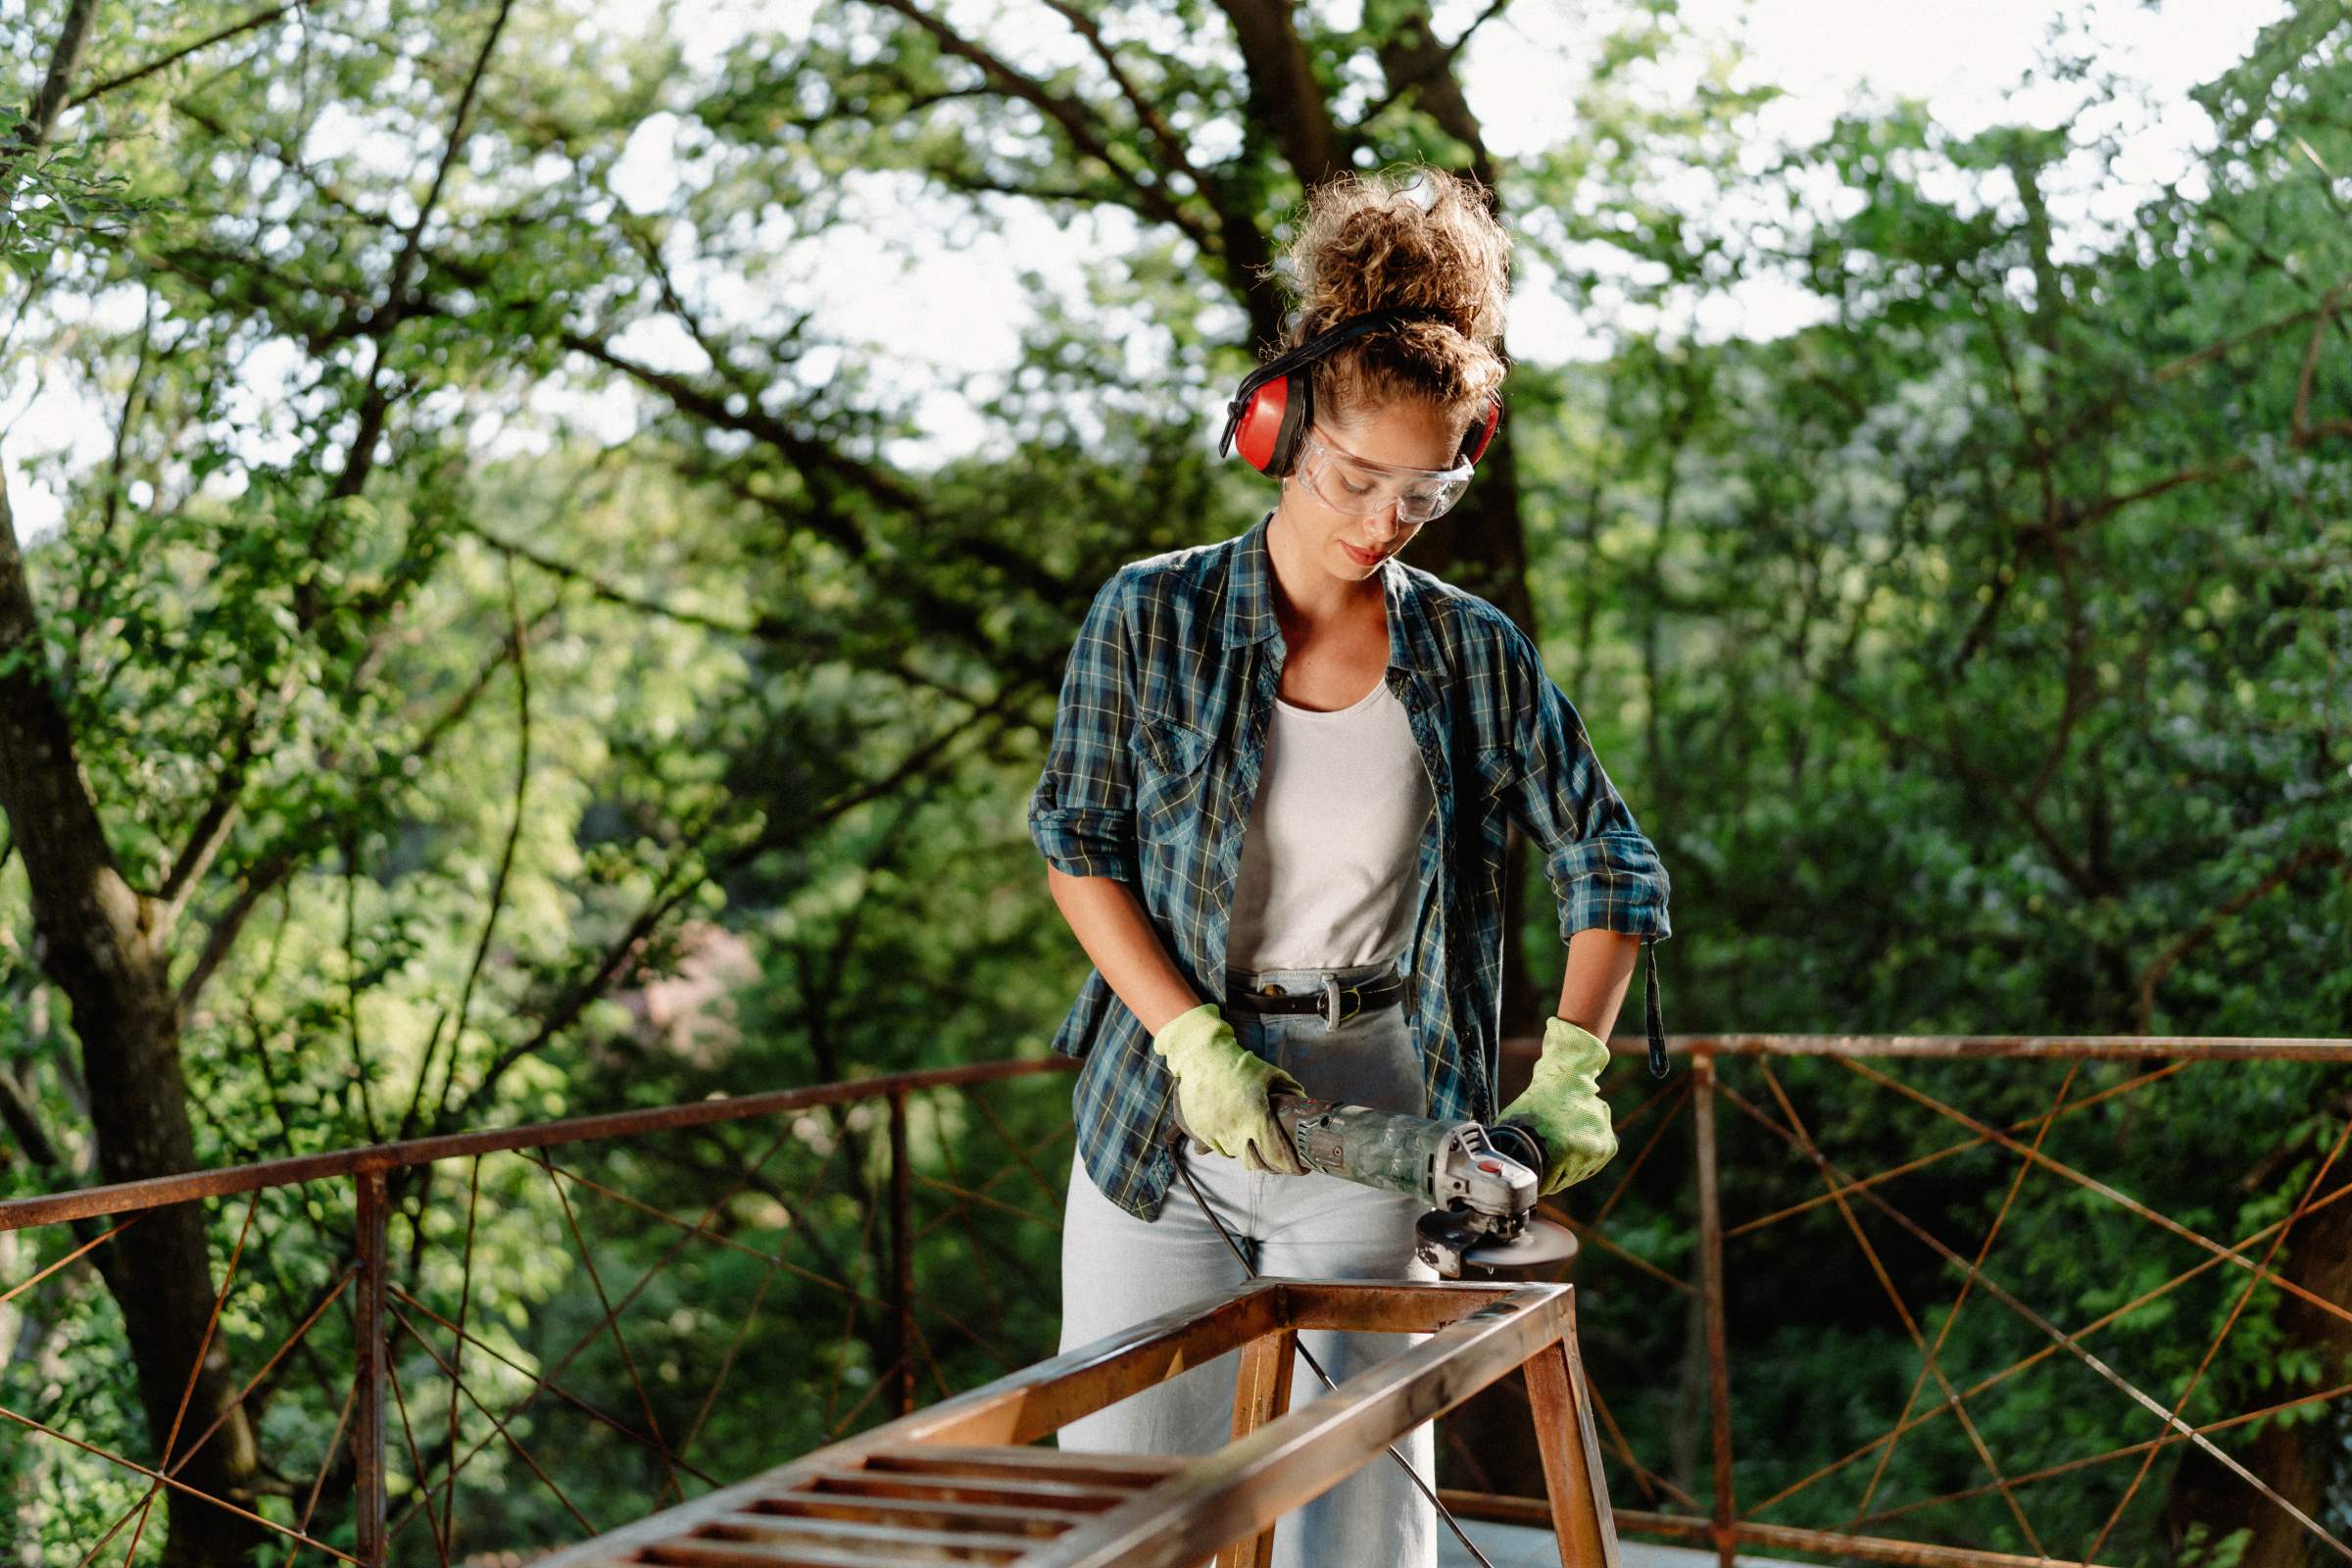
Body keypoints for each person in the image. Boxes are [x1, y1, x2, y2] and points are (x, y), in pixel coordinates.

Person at [1024, 164, 1674, 1568]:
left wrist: (1570, 1068)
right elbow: (1075, 839)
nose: (1385, 519)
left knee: (1364, 1534)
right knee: (1130, 1525)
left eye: (1427, 486)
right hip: (1162, 1122)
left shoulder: (1472, 652)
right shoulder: (1151, 617)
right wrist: (1189, 1033)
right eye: (1353, 476)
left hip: (1376, 1121)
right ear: (1278, 427)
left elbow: (1613, 862)